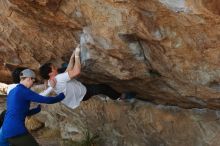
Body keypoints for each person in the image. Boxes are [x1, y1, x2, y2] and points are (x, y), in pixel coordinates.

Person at [39, 45, 136, 109]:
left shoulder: (51, 80)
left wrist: (72, 58)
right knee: (103, 87)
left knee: (64, 69)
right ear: (50, 73)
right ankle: (119, 97)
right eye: (53, 68)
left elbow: (67, 72)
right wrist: (77, 56)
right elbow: (76, 71)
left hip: (78, 90)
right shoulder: (58, 79)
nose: (55, 68)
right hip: (84, 93)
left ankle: (101, 93)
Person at [0, 69, 65, 146]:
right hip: (16, 130)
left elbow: (21, 111)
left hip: (5, 131)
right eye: (33, 82)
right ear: (29, 79)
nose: (32, 84)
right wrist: (62, 95)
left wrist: (37, 109)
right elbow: (47, 100)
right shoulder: (23, 91)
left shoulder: (12, 92)